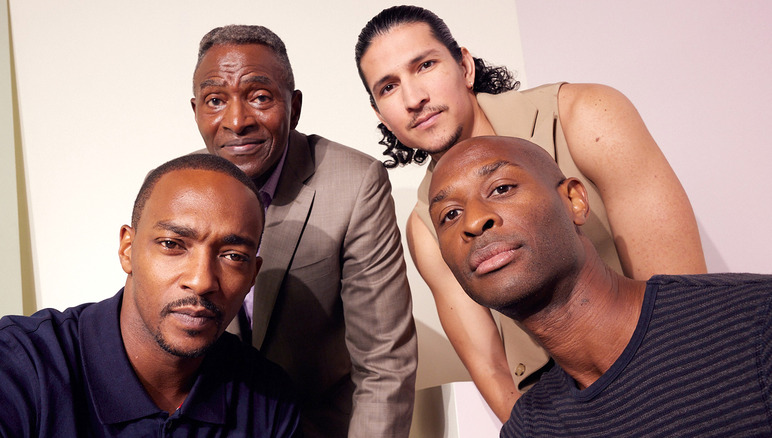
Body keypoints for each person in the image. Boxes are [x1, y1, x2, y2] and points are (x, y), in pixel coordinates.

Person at [355, 5, 706, 421]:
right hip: (561, 411)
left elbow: (682, 301)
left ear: (464, 66)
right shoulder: (425, 226)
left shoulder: (585, 115)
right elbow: (492, 368)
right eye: (389, 87)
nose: (415, 99)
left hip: (669, 375)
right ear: (380, 114)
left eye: (425, 65)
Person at [429, 135, 772, 437]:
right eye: (450, 215)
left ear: (574, 201)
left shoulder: (756, 323)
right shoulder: (529, 428)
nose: (473, 221)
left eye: (502, 188)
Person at [190, 25, 416, 438]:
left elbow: (384, 363)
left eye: (259, 97)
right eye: (215, 100)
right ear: (196, 111)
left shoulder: (354, 183)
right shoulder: (178, 189)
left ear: (293, 106)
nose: (237, 121)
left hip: (317, 425)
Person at [0, 154, 301, 436]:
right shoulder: (17, 366)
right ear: (128, 249)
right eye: (172, 244)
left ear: (252, 276)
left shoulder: (267, 400)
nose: (201, 280)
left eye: (233, 256)